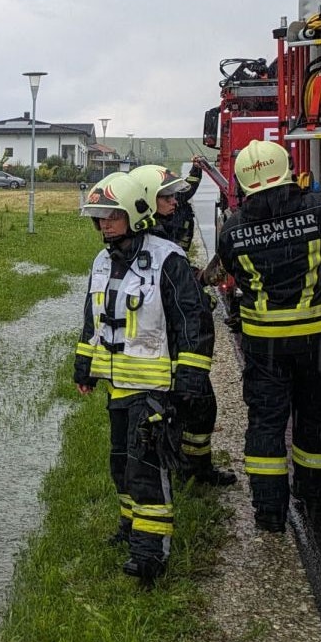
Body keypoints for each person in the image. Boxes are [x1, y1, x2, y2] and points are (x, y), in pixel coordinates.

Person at [75, 171, 216, 585]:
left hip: (154, 391)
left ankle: (150, 556)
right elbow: (93, 321)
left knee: (147, 470)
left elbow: (193, 323)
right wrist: (84, 367)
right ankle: (129, 528)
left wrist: (189, 379)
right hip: (118, 387)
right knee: (120, 465)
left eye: (110, 215)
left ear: (136, 212)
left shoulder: (168, 259)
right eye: (98, 217)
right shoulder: (102, 261)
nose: (103, 224)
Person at [213, 139, 321, 533]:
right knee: (313, 419)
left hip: (265, 349)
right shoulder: (320, 211)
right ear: (288, 170)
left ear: (243, 182)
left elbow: (234, 271)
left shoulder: (232, 232)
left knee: (265, 424)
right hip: (319, 346)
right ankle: (312, 502)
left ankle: (269, 513)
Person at [128, 163, 237, 489]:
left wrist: (199, 278)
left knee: (198, 407)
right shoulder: (147, 241)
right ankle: (178, 469)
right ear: (147, 201)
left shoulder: (156, 231)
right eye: (166, 197)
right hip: (164, 343)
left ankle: (191, 468)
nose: (174, 201)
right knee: (188, 405)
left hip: (167, 339)